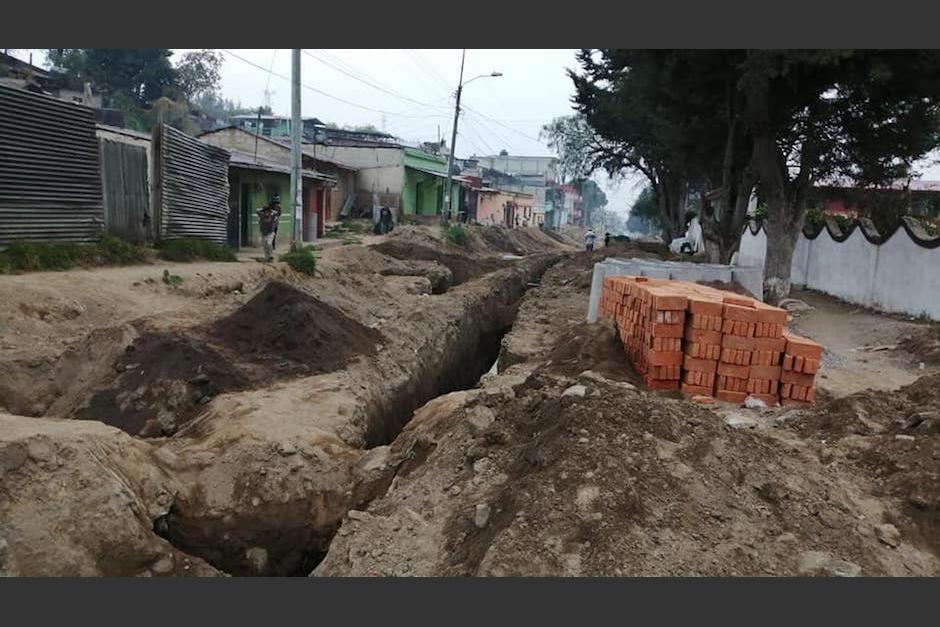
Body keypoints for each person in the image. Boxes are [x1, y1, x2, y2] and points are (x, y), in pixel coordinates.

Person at [257, 195, 282, 262]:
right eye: (265, 211)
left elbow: (277, 213)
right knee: (265, 245)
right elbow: (257, 210)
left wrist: (270, 210)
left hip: (270, 232)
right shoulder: (262, 216)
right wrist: (263, 209)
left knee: (269, 243)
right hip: (263, 233)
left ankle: (271, 255)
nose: (266, 213)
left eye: (268, 211)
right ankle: (267, 258)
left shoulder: (272, 216)